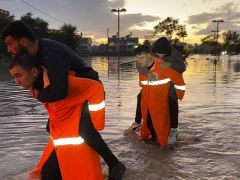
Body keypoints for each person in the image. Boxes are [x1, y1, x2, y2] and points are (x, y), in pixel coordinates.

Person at [3, 20, 126, 179]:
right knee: (51, 127)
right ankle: (62, 166)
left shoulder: (51, 53)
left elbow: (59, 92)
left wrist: (38, 94)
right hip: (71, 94)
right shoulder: (36, 54)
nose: (8, 49)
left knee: (84, 129)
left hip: (87, 91)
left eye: (9, 44)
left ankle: (115, 164)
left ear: (23, 41)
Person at [9, 54, 106, 179]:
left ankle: (113, 164)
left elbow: (96, 87)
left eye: (19, 75)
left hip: (76, 134)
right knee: (47, 174)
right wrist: (51, 122)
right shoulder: (34, 87)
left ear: (33, 72)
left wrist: (96, 123)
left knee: (49, 174)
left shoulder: (61, 83)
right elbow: (53, 105)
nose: (16, 82)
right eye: (14, 77)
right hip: (62, 136)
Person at [130, 37, 186, 145]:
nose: (158, 55)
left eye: (161, 54)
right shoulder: (149, 55)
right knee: (140, 96)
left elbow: (181, 69)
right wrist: (147, 74)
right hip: (153, 80)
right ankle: (137, 122)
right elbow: (140, 63)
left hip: (170, 79)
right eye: (156, 54)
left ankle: (174, 129)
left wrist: (164, 63)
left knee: (172, 98)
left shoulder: (175, 56)